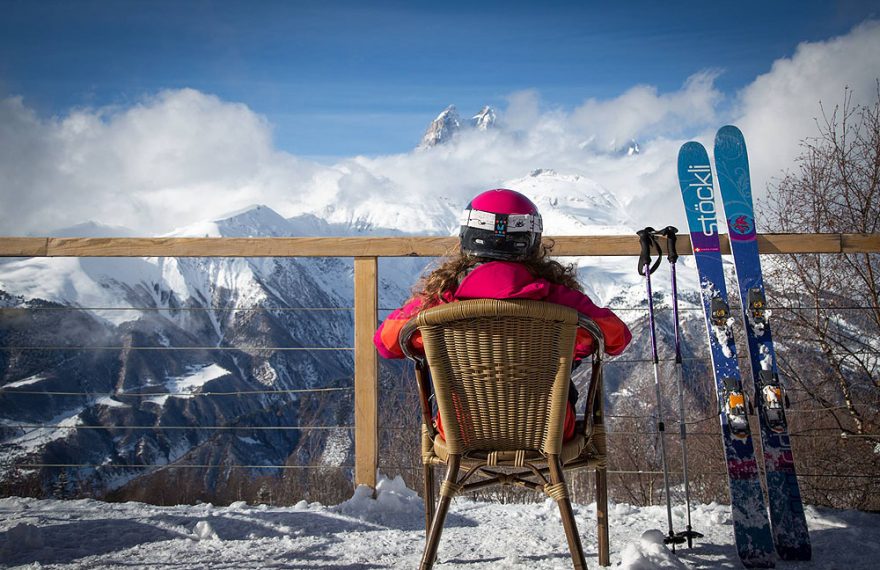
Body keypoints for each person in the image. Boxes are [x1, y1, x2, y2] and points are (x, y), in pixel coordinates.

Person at [374, 188, 632, 441]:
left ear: (467, 236)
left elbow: (386, 344)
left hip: (458, 430)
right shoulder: (560, 300)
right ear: (532, 242)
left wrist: (435, 343)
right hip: (548, 430)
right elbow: (617, 338)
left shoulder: (440, 300)